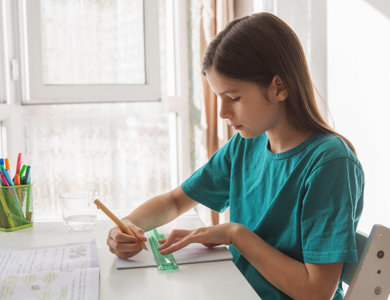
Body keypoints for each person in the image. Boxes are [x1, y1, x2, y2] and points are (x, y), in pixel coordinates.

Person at [107, 12, 364, 300]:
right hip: (234, 288)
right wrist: (129, 225)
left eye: (235, 98)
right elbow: (177, 200)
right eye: (219, 97)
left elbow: (315, 292)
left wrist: (235, 234)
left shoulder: (329, 163)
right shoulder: (247, 143)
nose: (223, 113)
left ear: (279, 87)